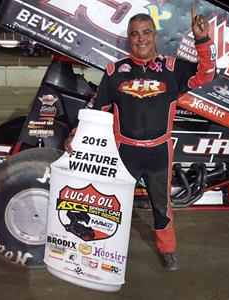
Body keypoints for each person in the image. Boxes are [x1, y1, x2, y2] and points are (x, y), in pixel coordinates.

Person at [64, 7, 215, 271]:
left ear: (155, 36)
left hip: (159, 152)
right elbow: (96, 107)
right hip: (124, 153)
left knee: (162, 206)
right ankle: (104, 249)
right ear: (128, 40)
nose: (140, 38)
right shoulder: (115, 71)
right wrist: (76, 134)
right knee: (110, 204)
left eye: (146, 32)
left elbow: (206, 74)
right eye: (134, 34)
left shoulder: (172, 69)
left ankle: (167, 250)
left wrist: (202, 40)